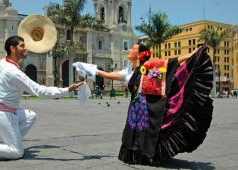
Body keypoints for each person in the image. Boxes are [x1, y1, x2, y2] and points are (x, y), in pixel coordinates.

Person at [73, 43, 213, 165]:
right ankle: (137, 156)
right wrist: (88, 68)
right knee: (133, 132)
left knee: (147, 132)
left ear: (139, 54)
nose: (129, 50)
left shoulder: (149, 67)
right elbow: (108, 75)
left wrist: (192, 54)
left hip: (149, 107)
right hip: (135, 108)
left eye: (132, 48)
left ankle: (150, 156)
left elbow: (170, 63)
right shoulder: (128, 72)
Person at [0, 35, 83, 161]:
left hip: (4, 110)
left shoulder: (4, 61)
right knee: (17, 152)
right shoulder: (14, 72)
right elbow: (40, 91)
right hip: (1, 113)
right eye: (22, 46)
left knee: (31, 116)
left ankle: (11, 143)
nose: (26, 49)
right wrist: (68, 89)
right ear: (12, 48)